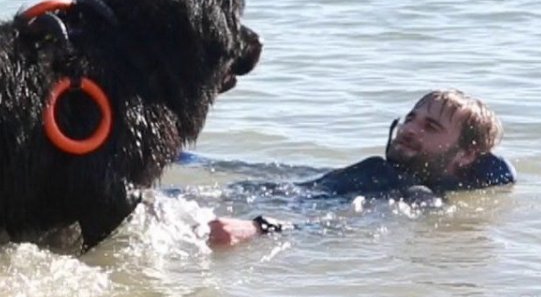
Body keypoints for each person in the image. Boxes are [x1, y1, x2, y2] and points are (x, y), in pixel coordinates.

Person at [208, 89, 515, 247]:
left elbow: (345, 227)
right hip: (248, 197)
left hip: (248, 217)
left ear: (465, 156)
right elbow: (283, 174)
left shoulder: (417, 198)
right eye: (411, 117)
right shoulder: (377, 170)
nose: (409, 129)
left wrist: (258, 229)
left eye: (431, 127)